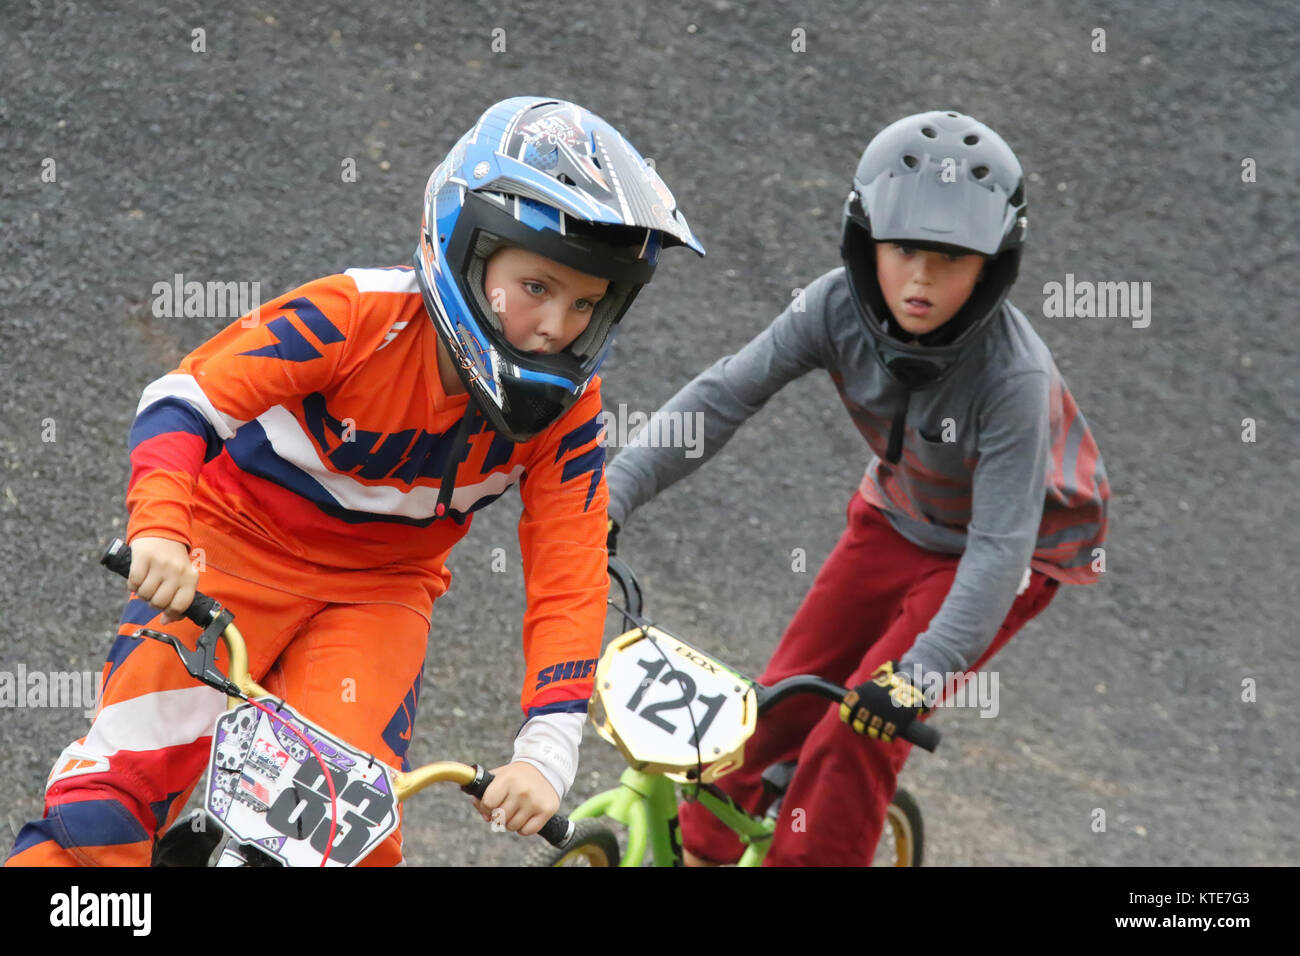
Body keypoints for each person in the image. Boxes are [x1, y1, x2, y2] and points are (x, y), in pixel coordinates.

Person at [6, 97, 704, 866]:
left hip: (380, 595)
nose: (555, 326)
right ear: (466, 246)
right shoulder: (355, 315)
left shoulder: (568, 410)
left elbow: (570, 571)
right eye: (536, 287)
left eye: (585, 303)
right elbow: (183, 401)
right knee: (106, 811)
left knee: (338, 846)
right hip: (226, 553)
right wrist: (162, 528)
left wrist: (545, 752)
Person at [605, 110, 1109, 866]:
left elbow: (998, 554)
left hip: (1014, 550)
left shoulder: (1013, 380)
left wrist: (917, 679)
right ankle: (707, 848)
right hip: (899, 512)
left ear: (993, 264)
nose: (922, 278)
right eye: (903, 249)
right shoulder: (833, 306)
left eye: (952, 257)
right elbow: (721, 398)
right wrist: (612, 493)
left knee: (856, 730)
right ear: (865, 240)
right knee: (768, 705)